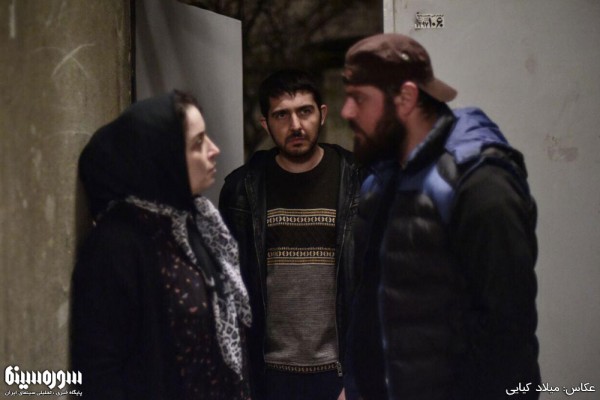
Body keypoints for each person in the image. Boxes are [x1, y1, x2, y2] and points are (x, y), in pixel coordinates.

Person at [340, 33, 540, 400]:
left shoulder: (480, 185)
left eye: (359, 98)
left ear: (406, 98)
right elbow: (372, 308)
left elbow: (507, 338)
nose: (346, 112)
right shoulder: (380, 180)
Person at [71, 90, 252, 400]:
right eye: (198, 143)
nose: (214, 150)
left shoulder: (195, 221)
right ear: (161, 157)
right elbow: (98, 373)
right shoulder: (117, 244)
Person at [219, 69, 362, 400]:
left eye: (305, 111)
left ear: (322, 114)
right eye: (282, 115)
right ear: (265, 123)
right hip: (269, 377)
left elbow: (378, 288)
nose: (296, 125)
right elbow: (229, 292)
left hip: (338, 373)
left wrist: (359, 379)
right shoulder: (242, 190)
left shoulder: (359, 183)